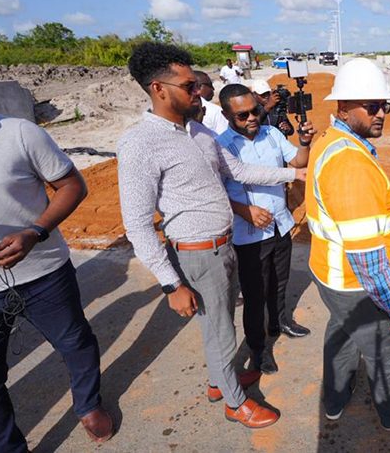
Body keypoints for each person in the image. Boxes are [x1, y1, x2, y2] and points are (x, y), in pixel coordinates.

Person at [118, 42, 305, 429]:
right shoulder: (140, 144)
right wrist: (171, 285)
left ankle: (220, 382)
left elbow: (240, 171)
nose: (198, 91)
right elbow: (136, 223)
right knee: (220, 327)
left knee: (217, 324)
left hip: (225, 247)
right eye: (189, 86)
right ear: (159, 89)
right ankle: (235, 403)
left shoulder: (199, 132)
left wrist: (295, 174)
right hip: (197, 253)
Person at [0, 113, 113, 451]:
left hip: (42, 272)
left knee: (75, 342)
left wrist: (35, 232)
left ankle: (88, 404)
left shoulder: (19, 134)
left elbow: (72, 185)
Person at [306, 58, 390, 430]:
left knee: (341, 335)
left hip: (330, 274)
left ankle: (334, 400)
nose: (381, 113)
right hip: (356, 283)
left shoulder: (329, 140)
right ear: (343, 106)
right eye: (372, 106)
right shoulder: (351, 165)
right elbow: (368, 260)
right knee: (384, 351)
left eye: (385, 105)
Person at [216, 84, 315, 376]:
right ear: (226, 115)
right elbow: (218, 190)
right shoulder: (221, 146)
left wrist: (305, 142)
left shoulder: (272, 133)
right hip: (249, 236)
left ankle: (280, 322)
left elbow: (298, 161)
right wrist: (244, 211)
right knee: (255, 295)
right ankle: (258, 349)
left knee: (280, 282)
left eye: (255, 110)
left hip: (281, 224)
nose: (251, 118)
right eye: (242, 114)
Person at [194, 70, 228, 135]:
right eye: (210, 85)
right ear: (198, 86)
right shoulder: (215, 111)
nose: (213, 88)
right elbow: (223, 139)